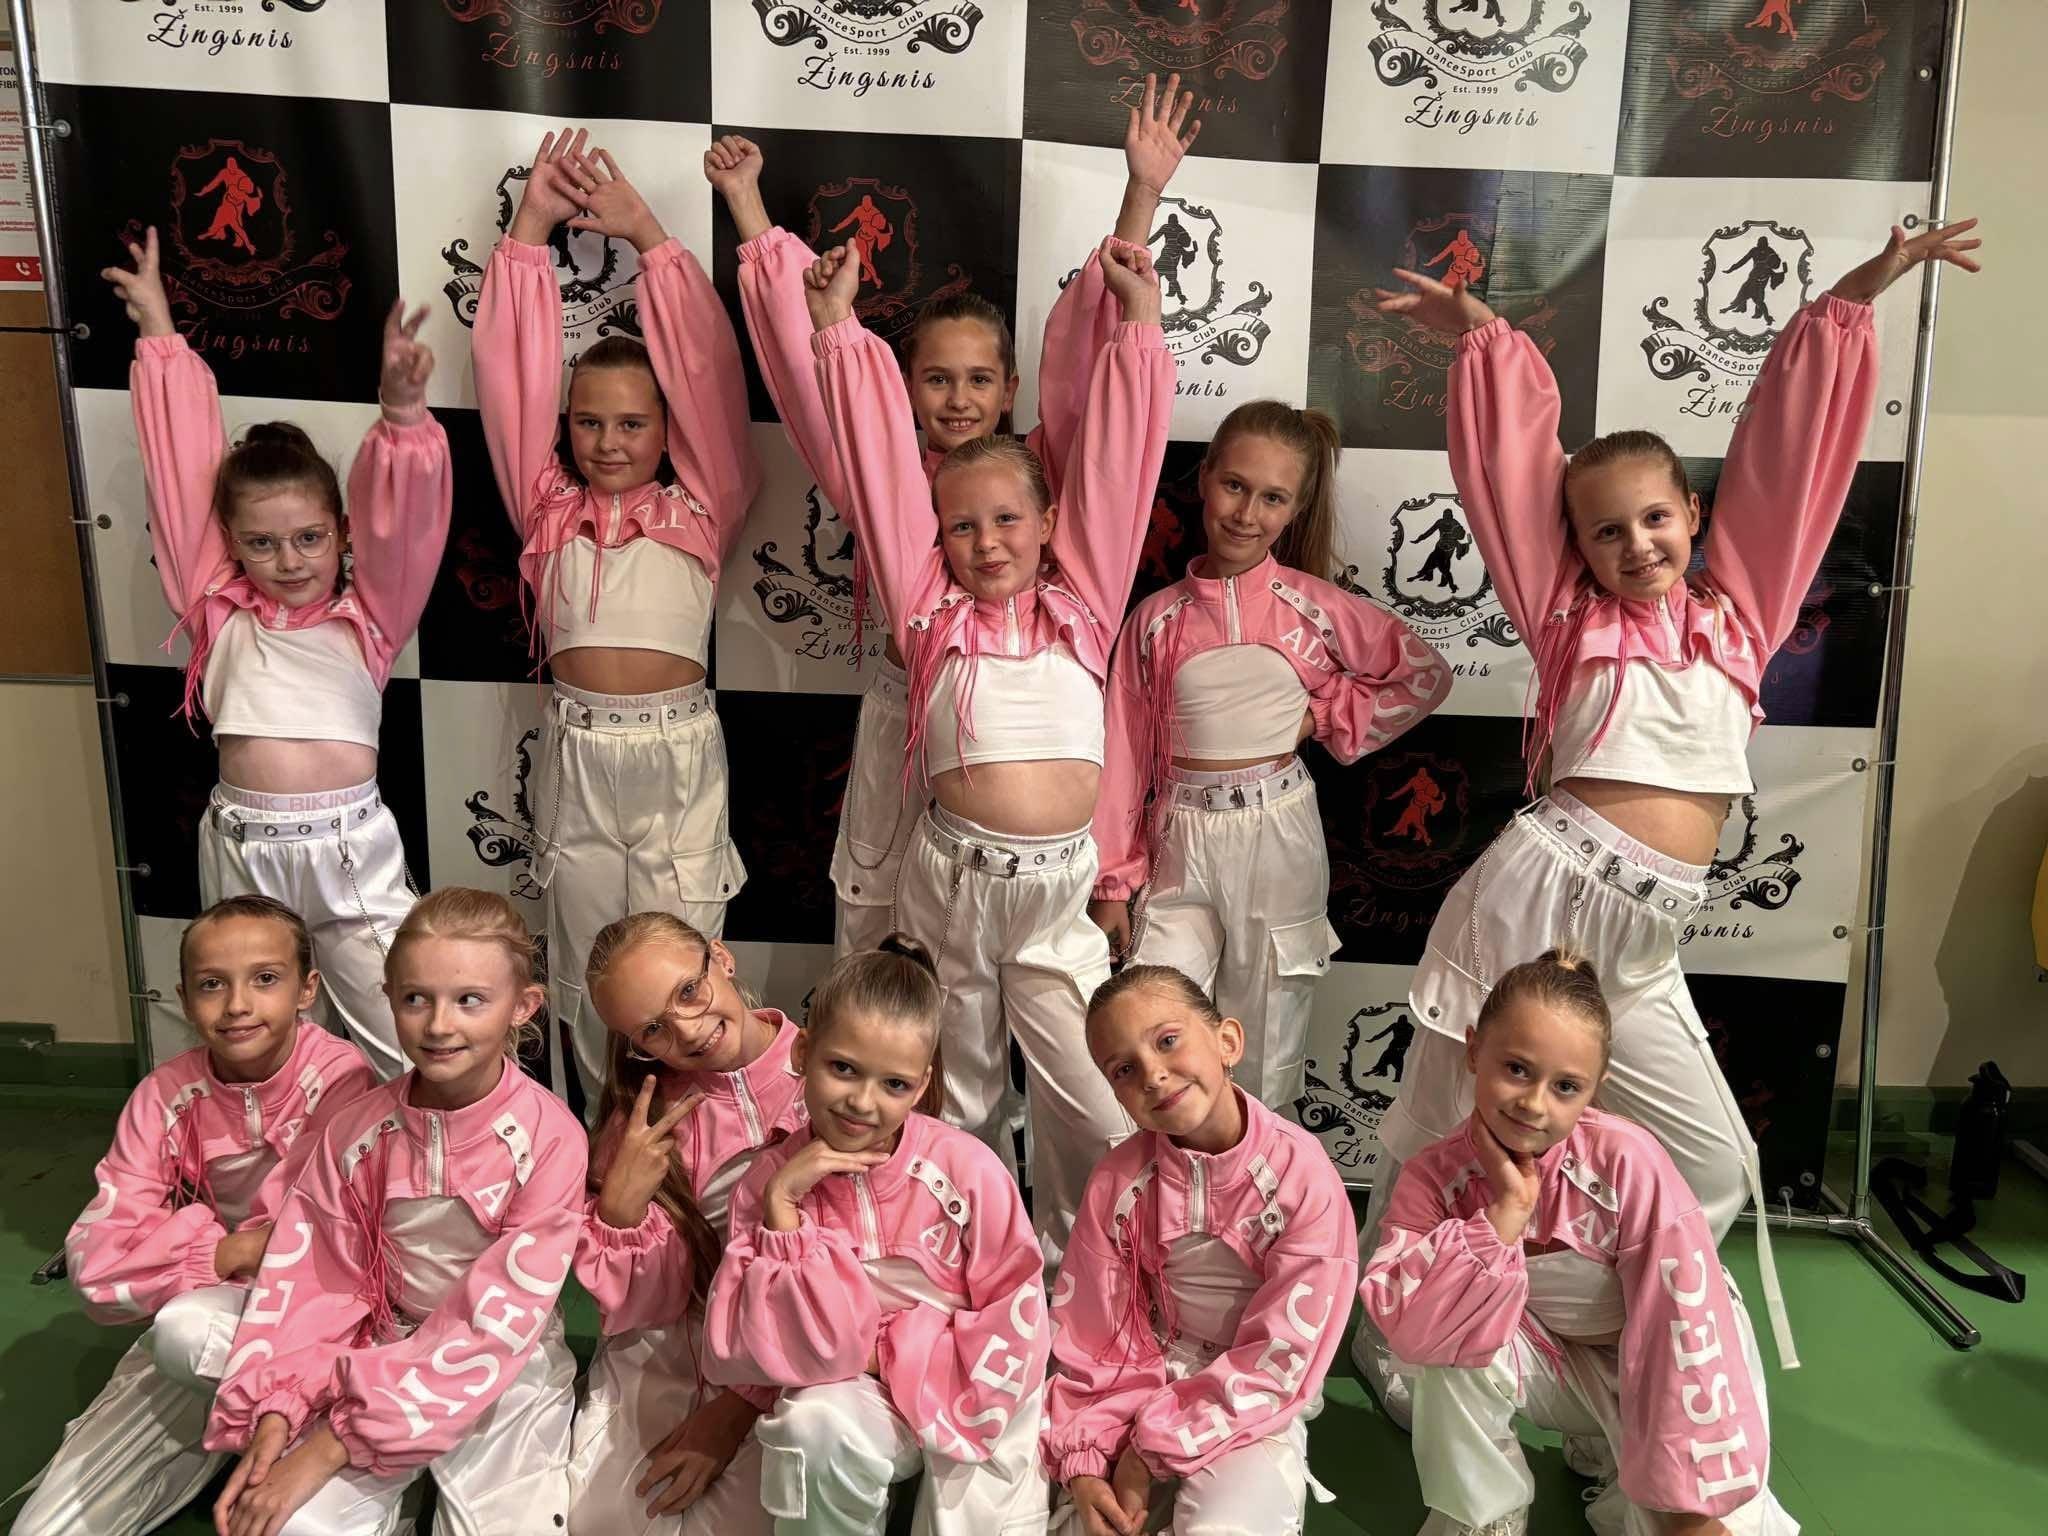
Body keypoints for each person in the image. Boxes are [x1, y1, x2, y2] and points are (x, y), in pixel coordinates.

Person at [1350, 217, 1985, 1409]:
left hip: (1643, 938)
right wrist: (1479, 333)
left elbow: (1788, 459)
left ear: (1691, 516)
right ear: (1573, 549)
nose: (1633, 543)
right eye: (1603, 530)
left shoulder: (1737, 616)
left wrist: (1858, 291)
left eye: (1653, 518)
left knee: (1712, 1162)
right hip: (1536, 896)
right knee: (1442, 1118)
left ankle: (1538, 1314)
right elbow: (1511, 468)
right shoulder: (1565, 617)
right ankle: (1395, 1334)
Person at [708, 70, 1200, 959]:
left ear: (1009, 390)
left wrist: (1142, 195)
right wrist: (747, 205)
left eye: (979, 380)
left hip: (1020, 732)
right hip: (911, 708)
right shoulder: (880, 469)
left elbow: (1104, 394)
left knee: (1007, 947)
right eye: (937, 379)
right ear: (906, 387)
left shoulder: (1042, 475)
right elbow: (814, 372)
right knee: (882, 921)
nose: (960, 399)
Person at [806, 222, 1171, 1269]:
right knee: (959, 1094)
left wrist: (1140, 325)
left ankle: (1082, 1275)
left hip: (1058, 895)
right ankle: (963, 1270)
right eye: (960, 528)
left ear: (1049, 524)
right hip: (951, 883)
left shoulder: (1084, 604)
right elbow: (883, 474)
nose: (986, 543)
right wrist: (837, 333)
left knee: (1089, 1098)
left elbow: (1119, 466)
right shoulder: (929, 615)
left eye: (1008, 521)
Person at [104, 228, 451, 1080]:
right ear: (228, 543)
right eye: (261, 543)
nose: (289, 560)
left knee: (408, 1032)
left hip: (351, 851)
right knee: (253, 1043)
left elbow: (405, 523)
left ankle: (430, 1154)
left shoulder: (370, 616)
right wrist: (158, 331)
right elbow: (179, 474)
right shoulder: (215, 610)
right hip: (243, 848)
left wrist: (403, 416)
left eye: (308, 538)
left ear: (342, 532)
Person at [474, 127, 760, 1116]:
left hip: (678, 761)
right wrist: (528, 233)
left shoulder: (703, 504)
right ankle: (601, 1151)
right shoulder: (545, 507)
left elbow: (710, 380)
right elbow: (508, 383)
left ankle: (703, 1147)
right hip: (578, 759)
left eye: (633, 423)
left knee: (686, 977)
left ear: (667, 432)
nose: (607, 441)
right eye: (588, 422)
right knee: (595, 971)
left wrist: (650, 239)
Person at [1364, 950, 1798, 1536]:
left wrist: (1687, 1512)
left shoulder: (1629, 1161)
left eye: (1565, 1086)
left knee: (1695, 1525)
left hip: (1670, 1363)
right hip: (1557, 1361)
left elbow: (1685, 1323)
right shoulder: (1431, 1178)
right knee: (1451, 1328)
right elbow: (1413, 1332)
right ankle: (1485, 1517)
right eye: (1516, 1068)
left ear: (1595, 1090)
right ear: (1473, 1049)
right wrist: (1505, 1215)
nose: (1533, 1103)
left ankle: (1613, 1451)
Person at [1090, 400, 1449, 1108]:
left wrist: (1323, 716)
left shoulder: (1314, 606)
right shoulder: (1154, 620)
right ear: (1205, 478)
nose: (1247, 513)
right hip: (1178, 840)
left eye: (1273, 497)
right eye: (1235, 486)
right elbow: (1122, 754)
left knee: (1266, 1038)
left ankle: (1261, 1174)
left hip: (1277, 834)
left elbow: (1422, 675)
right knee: (1152, 1023)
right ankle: (1163, 1175)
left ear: (1296, 508)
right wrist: (1111, 884)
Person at [204, 888, 587, 1535]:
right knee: (290, 1526)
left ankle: (415, 1461)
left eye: (470, 999)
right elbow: (313, 1279)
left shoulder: (552, 1140)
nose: (438, 1025)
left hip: (505, 1366)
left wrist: (334, 1443)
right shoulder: (355, 1130)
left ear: (523, 1006)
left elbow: (495, 1323)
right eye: (416, 999)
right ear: (388, 998)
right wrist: (280, 1406)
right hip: (374, 1347)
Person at [11, 897, 373, 1536]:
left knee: (186, 1332)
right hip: (218, 1307)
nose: (237, 1005)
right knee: (45, 1529)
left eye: (265, 978)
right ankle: (227, 1425)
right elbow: (96, 1267)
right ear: (183, 997)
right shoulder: (163, 1096)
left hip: (317, 1323)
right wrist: (225, 1252)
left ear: (307, 989)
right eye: (212, 984)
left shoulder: (345, 1081)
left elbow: (310, 1241)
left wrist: (183, 1248)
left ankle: (330, 1433)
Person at [704, 940, 1051, 1534]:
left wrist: (892, 1352)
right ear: (803, 1052)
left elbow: (1016, 1312)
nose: (862, 1102)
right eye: (843, 1068)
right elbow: (763, 1342)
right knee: (810, 1428)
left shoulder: (968, 1170)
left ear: (921, 1086)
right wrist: (783, 1209)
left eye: (894, 1083)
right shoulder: (766, 1182)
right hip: (851, 1393)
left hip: (967, 1384)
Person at [1043, 965, 1355, 1535]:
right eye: (1123, 1069)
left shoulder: (1303, 1178)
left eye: (1167, 1040)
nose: (1153, 1075)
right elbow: (1095, 1335)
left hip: (1249, 1407)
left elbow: (1280, 1357)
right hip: (1133, 1388)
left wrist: (1147, 1453)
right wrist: (1087, 1459)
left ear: (1227, 1041)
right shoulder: (1118, 1179)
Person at [567, 913, 810, 1534]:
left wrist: (738, 1407)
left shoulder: (832, 1074)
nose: (688, 1030)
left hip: (799, 1363)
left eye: (688, 991)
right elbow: (646, 1308)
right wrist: (620, 1211)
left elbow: (860, 1274)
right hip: (671, 1352)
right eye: (653, 1029)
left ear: (721, 958)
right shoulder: (646, 1122)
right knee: (609, 1513)